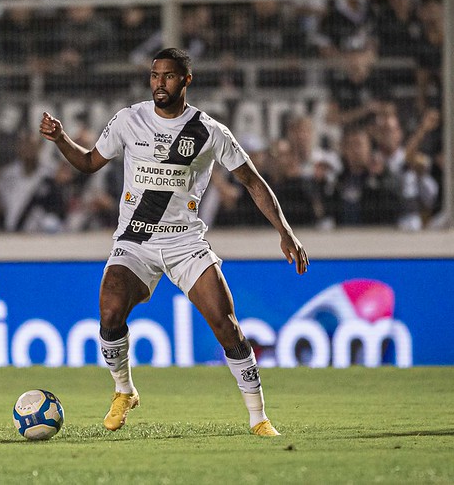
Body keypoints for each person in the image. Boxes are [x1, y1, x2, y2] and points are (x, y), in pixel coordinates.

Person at [38, 48, 308, 436]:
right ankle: (123, 390)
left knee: (225, 324)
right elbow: (88, 162)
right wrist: (61, 139)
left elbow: (252, 181)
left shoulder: (209, 131)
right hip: (135, 239)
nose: (158, 83)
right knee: (110, 307)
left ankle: (259, 417)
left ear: (186, 80)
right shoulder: (129, 120)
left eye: (167, 76)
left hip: (185, 242)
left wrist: (285, 231)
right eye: (154, 76)